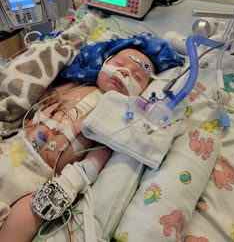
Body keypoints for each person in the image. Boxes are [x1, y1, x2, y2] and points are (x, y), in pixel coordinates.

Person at [0, 35, 185, 242]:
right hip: (13, 146)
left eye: (138, 76)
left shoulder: (116, 118)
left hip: (39, 176)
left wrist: (72, 181)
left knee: (32, 210)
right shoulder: (75, 84)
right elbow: (38, 97)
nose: (125, 72)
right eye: (119, 64)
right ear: (103, 63)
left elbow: (98, 157)